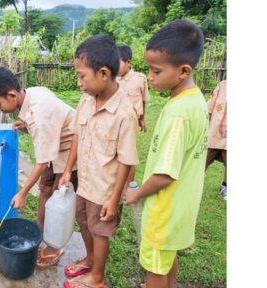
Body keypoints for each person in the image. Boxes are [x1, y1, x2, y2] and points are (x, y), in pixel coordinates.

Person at [124, 20, 208, 288]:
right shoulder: (195, 100)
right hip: (182, 207)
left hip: (163, 209)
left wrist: (136, 193)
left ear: (183, 71)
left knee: (154, 268)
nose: (150, 77)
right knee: (166, 259)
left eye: (156, 71)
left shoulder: (178, 114)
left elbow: (164, 174)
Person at [59, 34, 139, 288]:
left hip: (105, 189)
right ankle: (90, 259)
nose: (79, 82)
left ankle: (97, 278)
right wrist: (67, 170)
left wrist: (114, 199)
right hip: (85, 181)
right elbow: (77, 136)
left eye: (82, 76)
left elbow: (127, 161)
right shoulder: (85, 101)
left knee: (100, 231)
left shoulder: (125, 114)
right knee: (84, 222)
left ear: (103, 73)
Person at [0, 66, 78, 269]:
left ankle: (54, 246)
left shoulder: (39, 117)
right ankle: (40, 230)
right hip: (56, 145)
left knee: (59, 199)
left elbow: (41, 162)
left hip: (72, 150)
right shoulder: (32, 93)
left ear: (12, 94)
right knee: (45, 189)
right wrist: (26, 126)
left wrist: (22, 193)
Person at [117, 44, 151, 187]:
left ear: (128, 62)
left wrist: (142, 119)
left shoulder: (140, 79)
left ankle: (130, 184)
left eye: (117, 63)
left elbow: (143, 100)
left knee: (129, 153)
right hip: (115, 121)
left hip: (132, 123)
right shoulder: (112, 79)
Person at [206, 80, 227, 200]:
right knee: (204, 160)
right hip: (214, 133)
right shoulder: (223, 86)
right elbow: (210, 107)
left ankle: (225, 186)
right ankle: (194, 183)